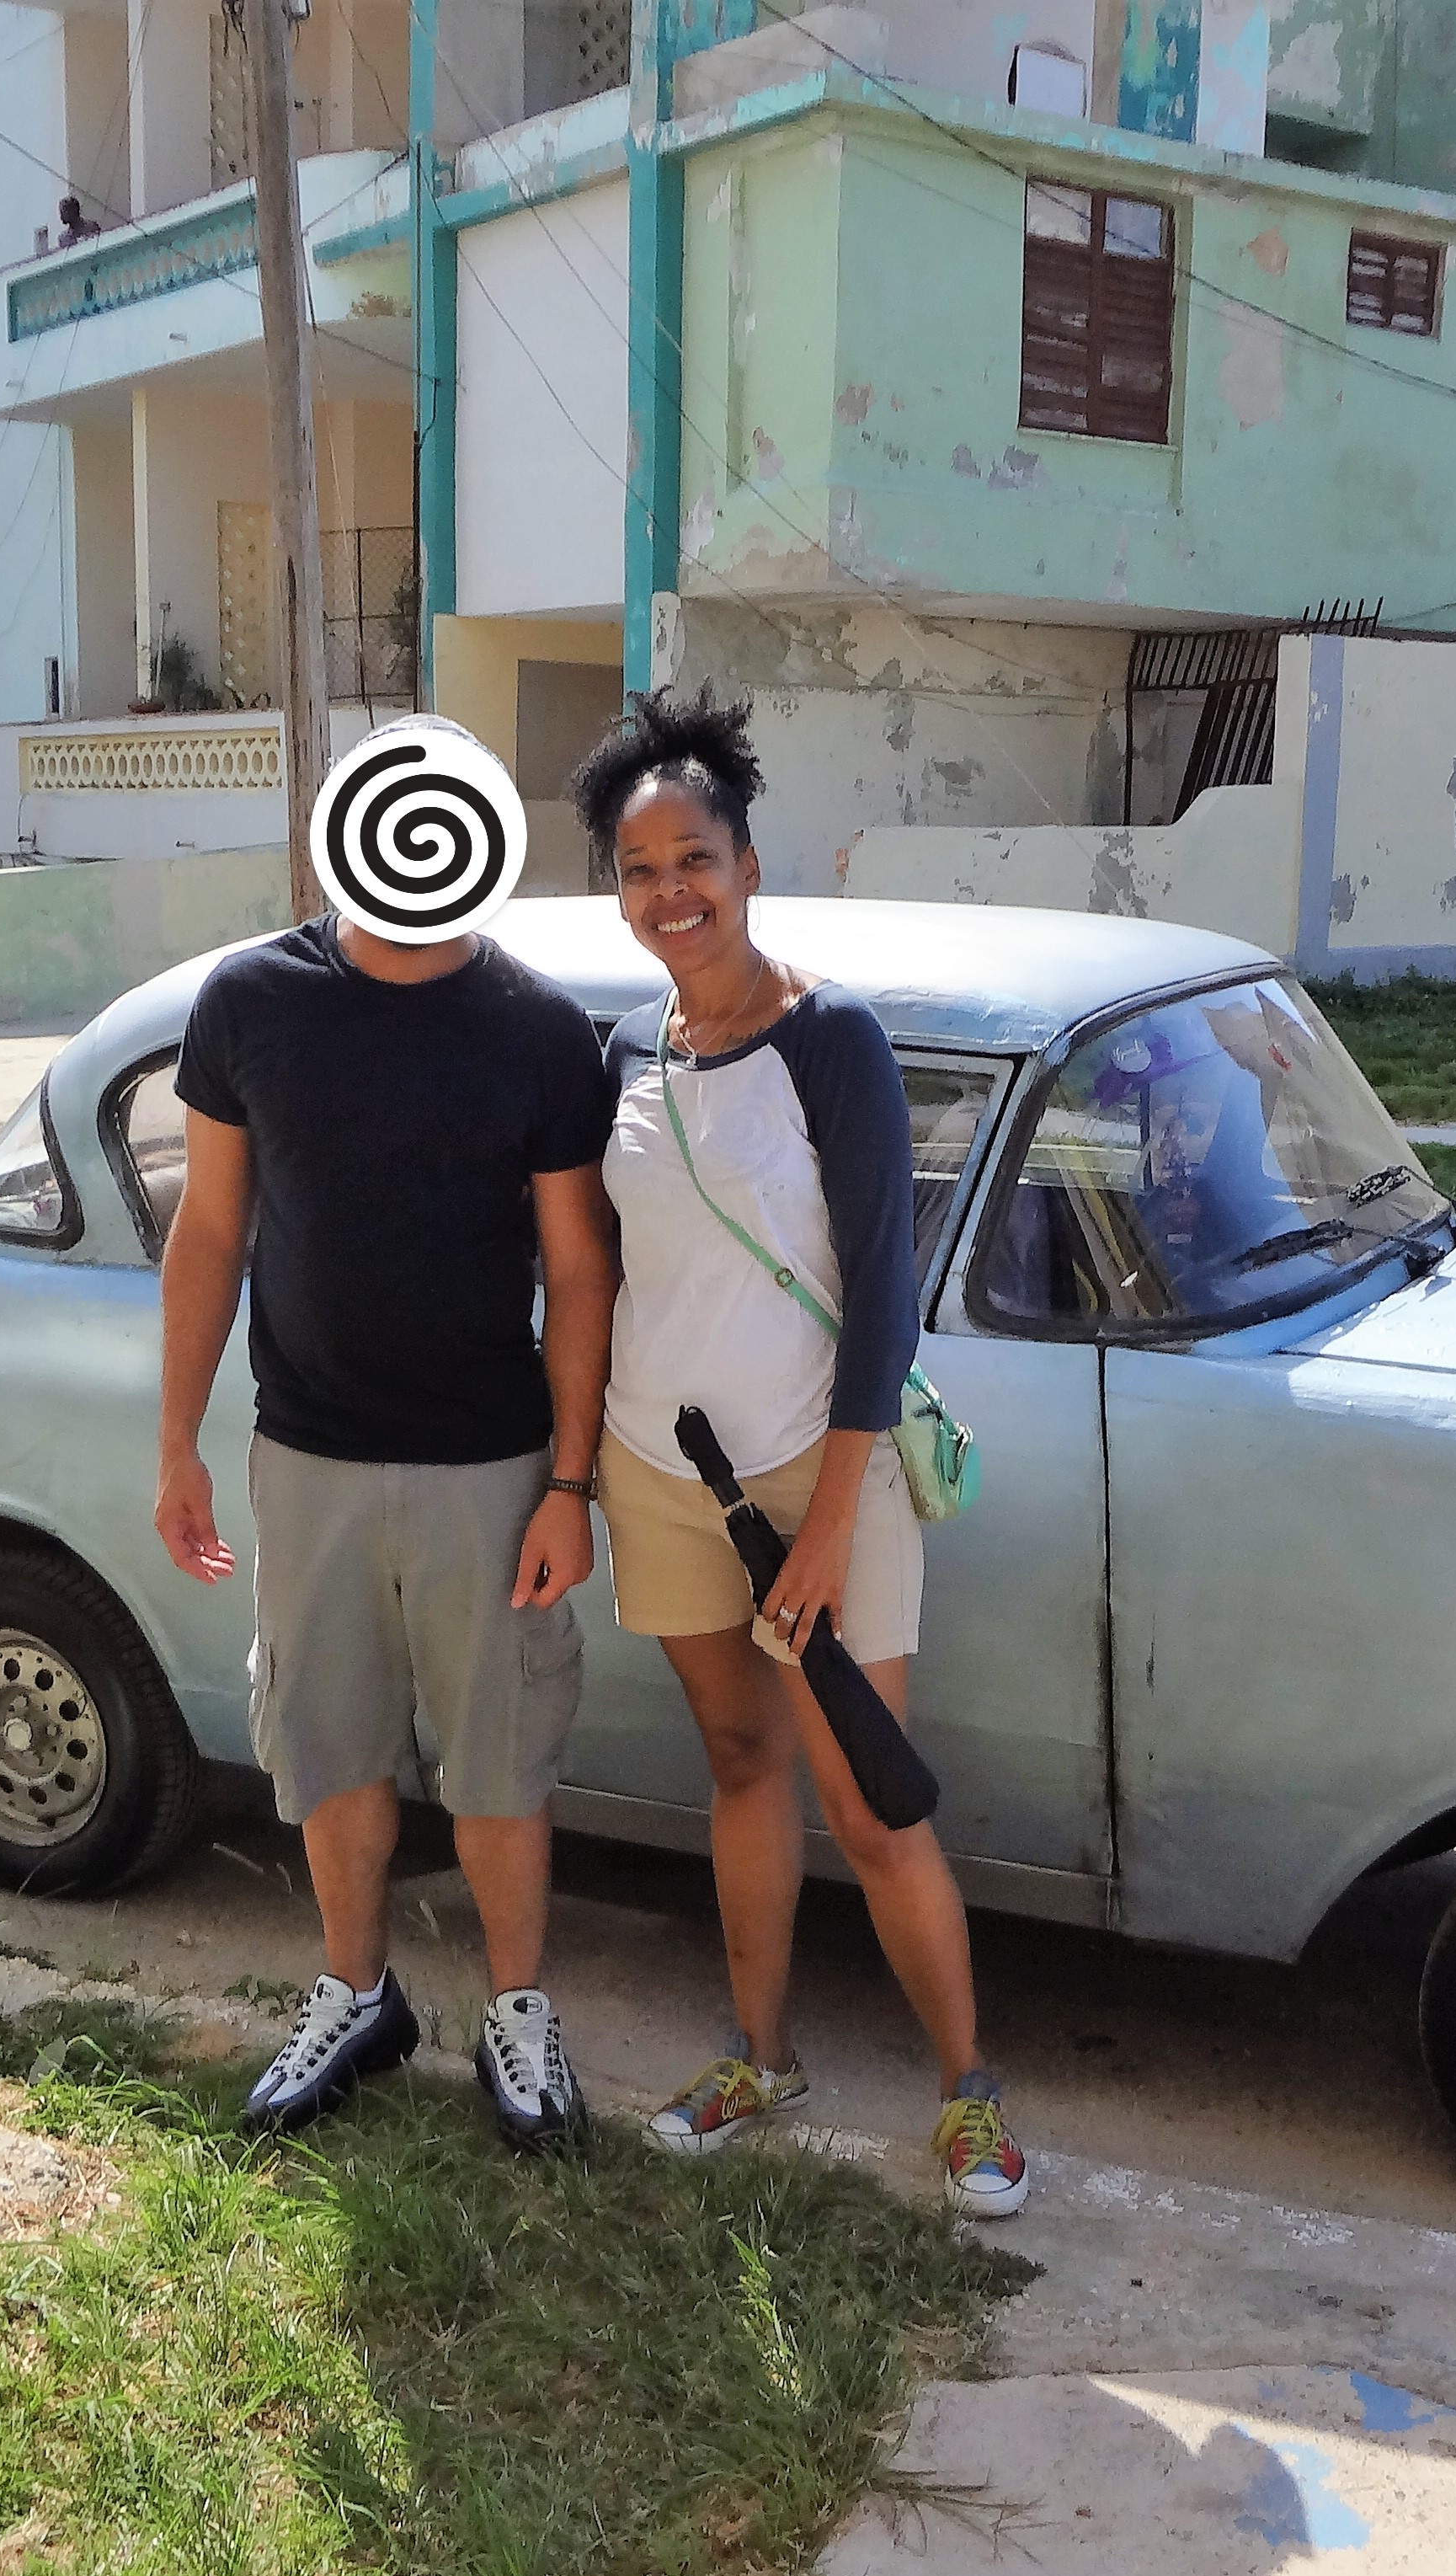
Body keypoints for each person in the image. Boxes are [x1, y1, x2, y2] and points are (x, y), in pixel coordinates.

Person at [568, 685, 1027, 2220]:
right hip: (664, 1475)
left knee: (873, 1799)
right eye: (636, 872)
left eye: (691, 859)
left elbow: (884, 1297)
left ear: (748, 863)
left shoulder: (831, 1039)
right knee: (741, 1764)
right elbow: (610, 1272)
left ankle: (967, 2094)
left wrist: (832, 1520)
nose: (668, 895)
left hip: (817, 1473)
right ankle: (760, 2056)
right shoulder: (631, 1052)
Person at [154, 720, 616, 2151]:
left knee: (499, 1757)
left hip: (493, 1464)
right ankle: (356, 1994)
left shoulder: (539, 1031)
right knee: (329, 1739)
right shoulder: (250, 1003)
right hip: (307, 1456)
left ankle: (517, 2015)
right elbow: (211, 1228)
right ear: (338, 840)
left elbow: (580, 1268)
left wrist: (570, 1484)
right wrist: (176, 1442)